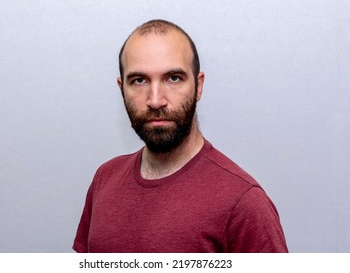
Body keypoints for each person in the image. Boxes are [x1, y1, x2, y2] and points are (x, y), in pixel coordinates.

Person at [73, 19, 288, 253]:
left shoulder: (243, 203)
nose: (155, 100)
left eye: (173, 78)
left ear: (198, 86)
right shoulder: (105, 178)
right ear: (121, 88)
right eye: (139, 80)